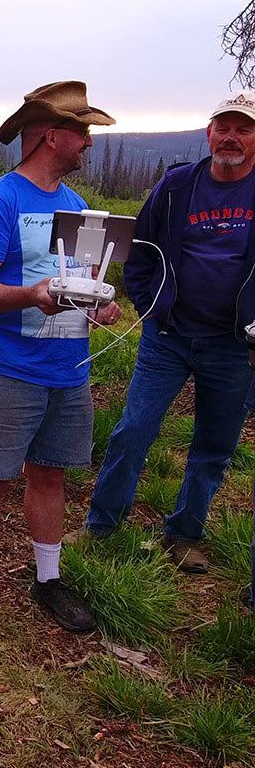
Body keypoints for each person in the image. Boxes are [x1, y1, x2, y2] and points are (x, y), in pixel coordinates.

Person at [0, 81, 120, 633]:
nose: (88, 142)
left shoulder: (76, 209)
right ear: (52, 136)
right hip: (6, 369)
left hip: (67, 371)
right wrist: (30, 294)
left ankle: (48, 581)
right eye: (81, 131)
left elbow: (81, 287)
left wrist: (99, 308)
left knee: (50, 478)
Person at [75, 92, 255, 573]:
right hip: (168, 335)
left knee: (214, 449)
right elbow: (139, 246)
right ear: (209, 131)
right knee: (134, 429)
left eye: (244, 128)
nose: (231, 137)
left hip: (235, 346)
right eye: (224, 126)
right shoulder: (178, 186)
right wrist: (148, 302)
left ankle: (183, 532)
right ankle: (102, 526)